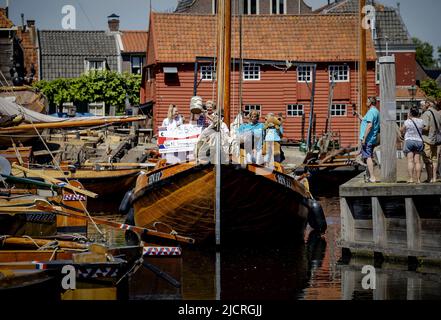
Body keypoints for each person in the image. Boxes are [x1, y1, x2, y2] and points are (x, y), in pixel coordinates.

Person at [356, 97, 380, 183]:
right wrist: (360, 117)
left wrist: (364, 138)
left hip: (368, 138)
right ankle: (370, 175)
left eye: (367, 101)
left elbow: (369, 125)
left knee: (368, 157)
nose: (366, 102)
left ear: (370, 103)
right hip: (373, 138)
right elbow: (367, 122)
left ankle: (372, 177)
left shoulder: (371, 112)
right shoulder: (376, 111)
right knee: (369, 156)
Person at [400, 106, 424, 183]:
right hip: (419, 141)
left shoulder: (407, 121)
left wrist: (408, 118)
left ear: (410, 113)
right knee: (418, 161)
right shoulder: (421, 121)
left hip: (409, 140)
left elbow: (401, 129)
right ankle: (418, 179)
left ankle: (411, 178)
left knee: (410, 161)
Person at [421, 99, 441, 183]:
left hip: (427, 139)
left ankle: (429, 178)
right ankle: (435, 178)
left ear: (428, 104)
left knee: (427, 159)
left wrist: (419, 127)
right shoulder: (437, 113)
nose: (423, 106)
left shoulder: (426, 113)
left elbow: (426, 127)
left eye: (424, 103)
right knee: (435, 159)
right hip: (436, 139)